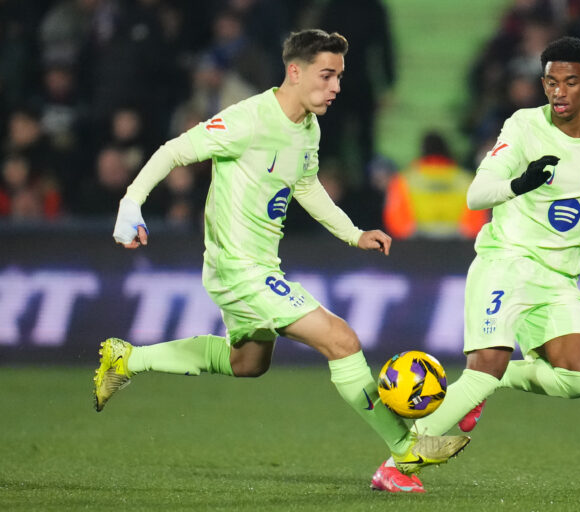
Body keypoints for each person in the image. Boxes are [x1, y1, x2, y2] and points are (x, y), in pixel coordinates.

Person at [93, 29, 468, 492]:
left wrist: (353, 233)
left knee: (247, 362)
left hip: (253, 268)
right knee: (342, 340)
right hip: (239, 267)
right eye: (327, 75)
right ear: (295, 71)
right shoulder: (248, 119)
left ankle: (127, 359)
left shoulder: (308, 127)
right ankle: (403, 448)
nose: (335, 87)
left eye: (339, 77)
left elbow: (306, 185)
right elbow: (174, 151)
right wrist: (131, 204)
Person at [371, 36, 580, 492]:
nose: (559, 92)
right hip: (508, 262)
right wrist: (520, 182)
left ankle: (482, 388)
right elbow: (476, 194)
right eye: (551, 82)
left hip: (559, 276)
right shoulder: (523, 127)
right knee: (486, 366)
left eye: (570, 82)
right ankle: (398, 466)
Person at [383, 131, 488, 240]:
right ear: (447, 151)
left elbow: (396, 223)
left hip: (415, 247)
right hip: (457, 248)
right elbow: (477, 223)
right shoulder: (467, 180)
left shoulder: (403, 180)